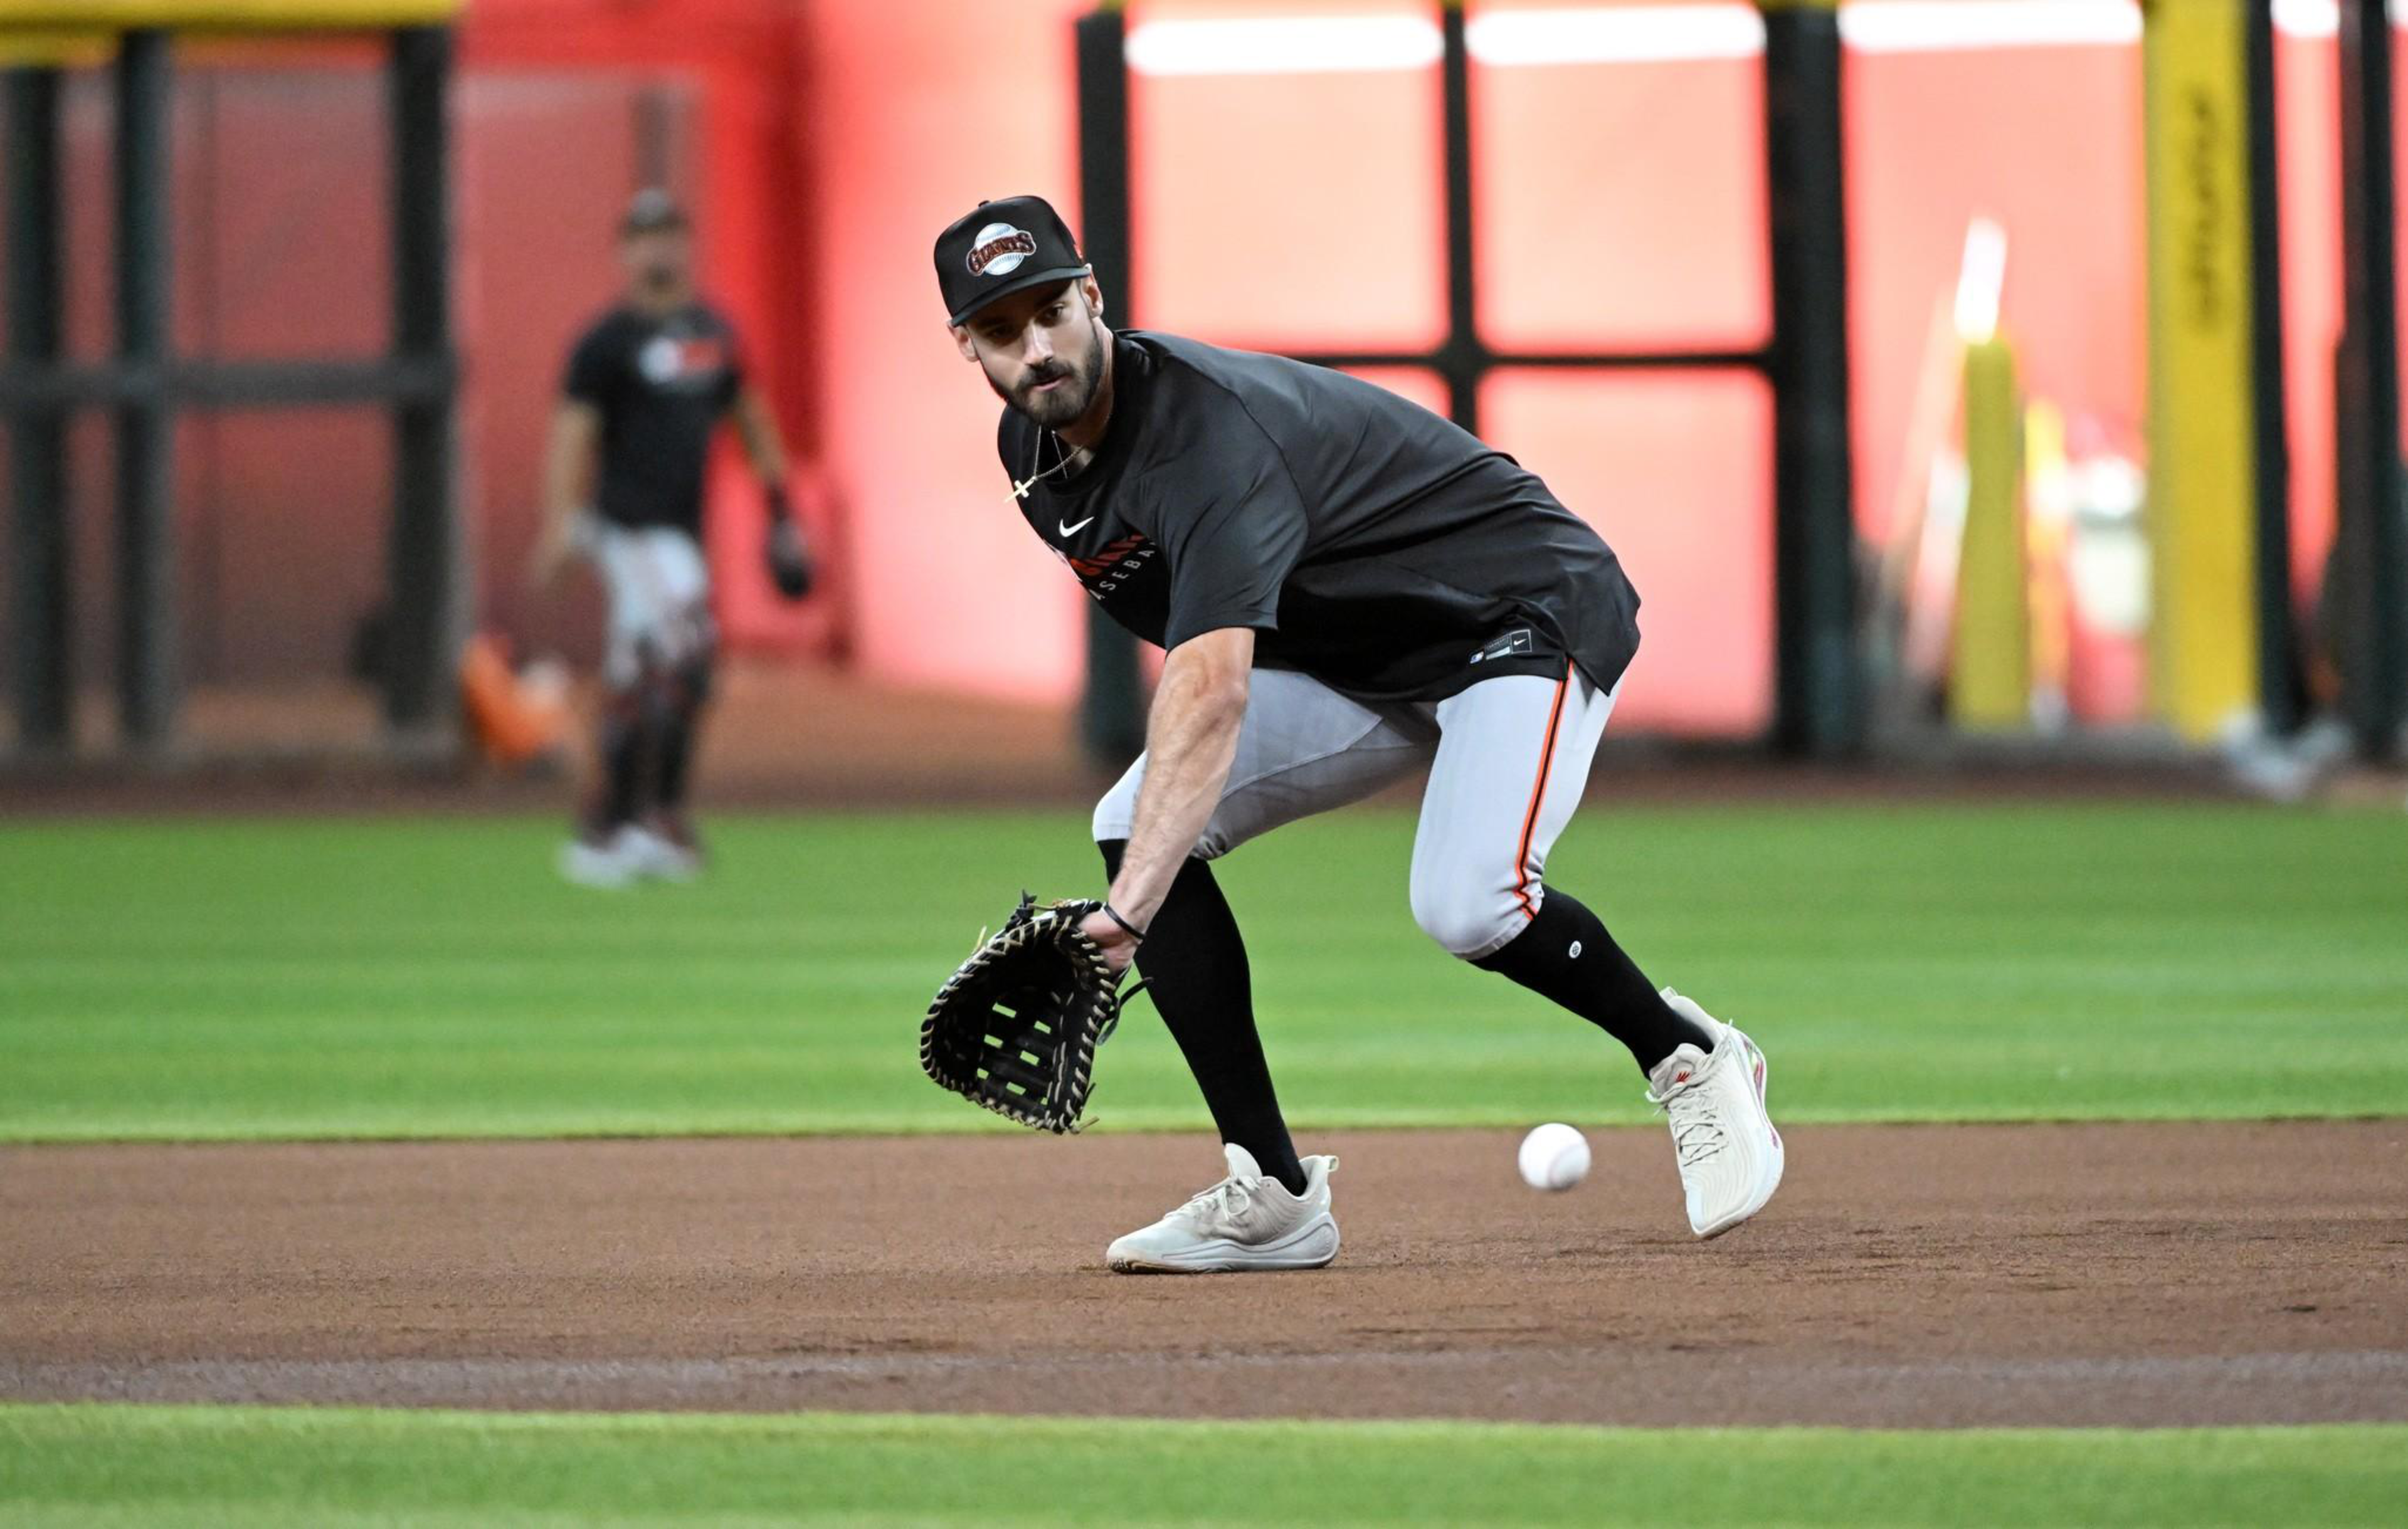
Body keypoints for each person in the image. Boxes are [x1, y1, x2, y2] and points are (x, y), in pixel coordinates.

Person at [935, 195, 1784, 1273]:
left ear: (1093, 294)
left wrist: (1125, 913)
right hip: (1368, 657)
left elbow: (1210, 685)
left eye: (1052, 308)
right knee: (1133, 818)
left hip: (1515, 611)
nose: (1039, 345)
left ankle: (1691, 1055)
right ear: (967, 344)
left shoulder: (1203, 436)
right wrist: (1142, 877)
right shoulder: (1035, 452)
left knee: (1467, 897)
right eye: (1003, 330)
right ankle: (1275, 1190)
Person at [530, 189, 813, 888]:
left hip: (680, 533)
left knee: (643, 676)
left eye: (668, 234)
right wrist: (560, 523)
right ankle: (650, 818)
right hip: (627, 529)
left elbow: (750, 419)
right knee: (686, 650)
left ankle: (612, 826)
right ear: (623, 252)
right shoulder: (606, 343)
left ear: (687, 244)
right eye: (642, 236)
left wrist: (781, 511)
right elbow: (572, 436)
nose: (656, 248)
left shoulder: (712, 333)